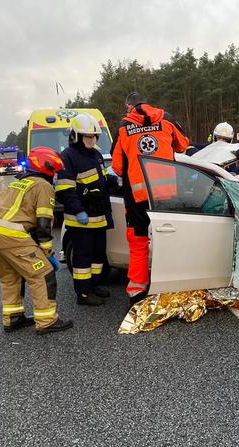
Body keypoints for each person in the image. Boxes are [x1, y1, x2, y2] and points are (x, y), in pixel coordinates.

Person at [0, 147, 73, 334]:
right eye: (54, 171)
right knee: (43, 274)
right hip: (11, 236)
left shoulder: (16, 184)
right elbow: (44, 222)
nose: (55, 176)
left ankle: (13, 318)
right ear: (46, 168)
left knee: (10, 277)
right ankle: (46, 321)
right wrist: (48, 253)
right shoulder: (43, 186)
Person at [111, 92, 190, 305]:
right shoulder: (167, 119)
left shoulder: (123, 127)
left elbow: (117, 167)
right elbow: (183, 145)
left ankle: (136, 291)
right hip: (166, 196)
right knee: (169, 239)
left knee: (138, 242)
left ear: (129, 107)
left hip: (137, 197)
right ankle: (168, 287)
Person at [56, 113, 116, 306]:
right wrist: (78, 210)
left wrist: (113, 181)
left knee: (99, 256)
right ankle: (83, 294)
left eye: (94, 136)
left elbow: (103, 179)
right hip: (80, 219)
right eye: (87, 136)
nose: (91, 139)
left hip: (99, 216)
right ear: (76, 135)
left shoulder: (96, 155)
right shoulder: (67, 157)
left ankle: (94, 285)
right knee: (83, 258)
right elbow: (65, 190)